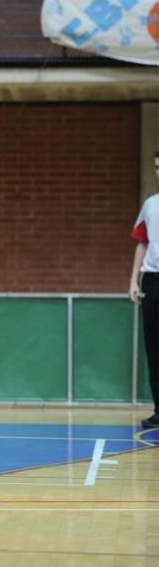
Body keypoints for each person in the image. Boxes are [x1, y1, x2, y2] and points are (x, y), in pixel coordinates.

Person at [129, 153, 159, 430]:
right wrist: (133, 280)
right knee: (154, 348)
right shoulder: (150, 205)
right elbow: (142, 243)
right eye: (158, 167)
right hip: (153, 281)